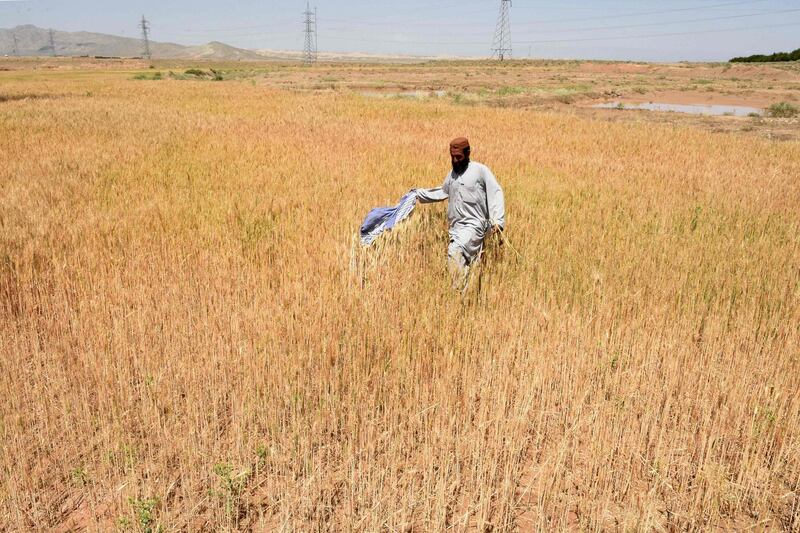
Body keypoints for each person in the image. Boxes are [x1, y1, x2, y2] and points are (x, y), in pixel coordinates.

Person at [415, 137, 505, 288]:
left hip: (474, 226)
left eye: (459, 157)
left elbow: (496, 192)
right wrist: (417, 195)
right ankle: (467, 300)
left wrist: (498, 221)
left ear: (468, 153)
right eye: (452, 157)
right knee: (471, 267)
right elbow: (442, 192)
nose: (455, 161)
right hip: (456, 229)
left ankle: (457, 292)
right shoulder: (452, 175)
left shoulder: (480, 171)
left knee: (455, 251)